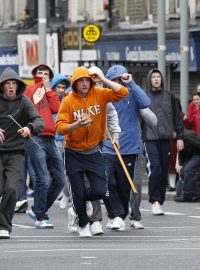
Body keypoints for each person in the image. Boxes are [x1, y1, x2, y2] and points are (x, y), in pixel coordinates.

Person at [56, 66, 128, 237]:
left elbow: (123, 92)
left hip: (95, 150)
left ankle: (78, 204)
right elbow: (59, 128)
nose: (84, 84)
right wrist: (76, 125)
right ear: (74, 83)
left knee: (100, 191)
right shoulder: (68, 101)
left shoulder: (100, 93)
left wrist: (102, 80)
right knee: (79, 191)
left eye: (87, 80)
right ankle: (82, 224)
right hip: (73, 151)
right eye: (80, 81)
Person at [103, 64, 150, 231]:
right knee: (106, 181)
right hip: (108, 146)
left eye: (120, 79)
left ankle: (120, 216)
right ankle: (115, 215)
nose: (117, 82)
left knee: (125, 186)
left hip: (130, 147)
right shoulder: (105, 95)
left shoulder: (132, 93)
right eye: (113, 79)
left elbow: (146, 102)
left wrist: (131, 83)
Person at [0, 67, 44, 239]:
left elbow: (38, 120)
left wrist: (29, 127)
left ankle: (3, 226)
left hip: (16, 152)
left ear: (18, 86)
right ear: (2, 86)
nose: (11, 87)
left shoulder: (24, 101)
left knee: (11, 189)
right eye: (7, 84)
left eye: (14, 83)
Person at [24, 64, 65, 229]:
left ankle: (37, 209)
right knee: (42, 178)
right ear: (34, 74)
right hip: (35, 137)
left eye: (46, 73)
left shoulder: (51, 92)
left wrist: (48, 89)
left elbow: (57, 109)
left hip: (50, 138)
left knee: (60, 179)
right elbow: (25, 110)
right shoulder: (28, 90)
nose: (43, 75)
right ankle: (41, 216)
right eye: (40, 72)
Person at [142, 68, 184, 215]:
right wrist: (140, 138)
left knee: (164, 169)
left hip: (166, 139)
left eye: (158, 77)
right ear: (149, 79)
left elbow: (177, 118)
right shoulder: (144, 96)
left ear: (162, 79)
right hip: (150, 139)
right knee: (155, 167)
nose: (156, 79)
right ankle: (154, 201)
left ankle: (160, 200)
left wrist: (180, 137)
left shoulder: (169, 96)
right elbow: (140, 119)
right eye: (153, 77)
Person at [50, 73, 71, 210]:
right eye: (59, 87)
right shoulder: (48, 100)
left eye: (64, 87)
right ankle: (62, 192)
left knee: (69, 169)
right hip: (52, 140)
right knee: (58, 171)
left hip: (66, 139)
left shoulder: (68, 99)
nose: (61, 89)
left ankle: (67, 194)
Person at [173, 129, 200, 202]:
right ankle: (196, 194)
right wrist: (180, 164)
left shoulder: (188, 136)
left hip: (197, 153)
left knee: (189, 170)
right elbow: (180, 151)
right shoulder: (176, 138)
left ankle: (187, 195)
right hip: (188, 155)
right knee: (183, 172)